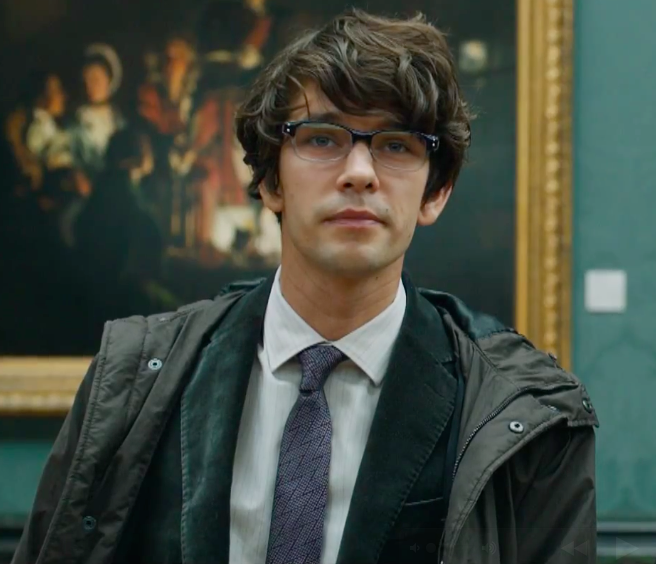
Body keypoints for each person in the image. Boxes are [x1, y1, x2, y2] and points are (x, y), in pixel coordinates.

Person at [12, 9, 599, 564]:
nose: (360, 172)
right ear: (270, 181)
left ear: (434, 193)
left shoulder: (524, 418)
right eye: (322, 139)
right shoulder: (132, 378)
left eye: (397, 145)